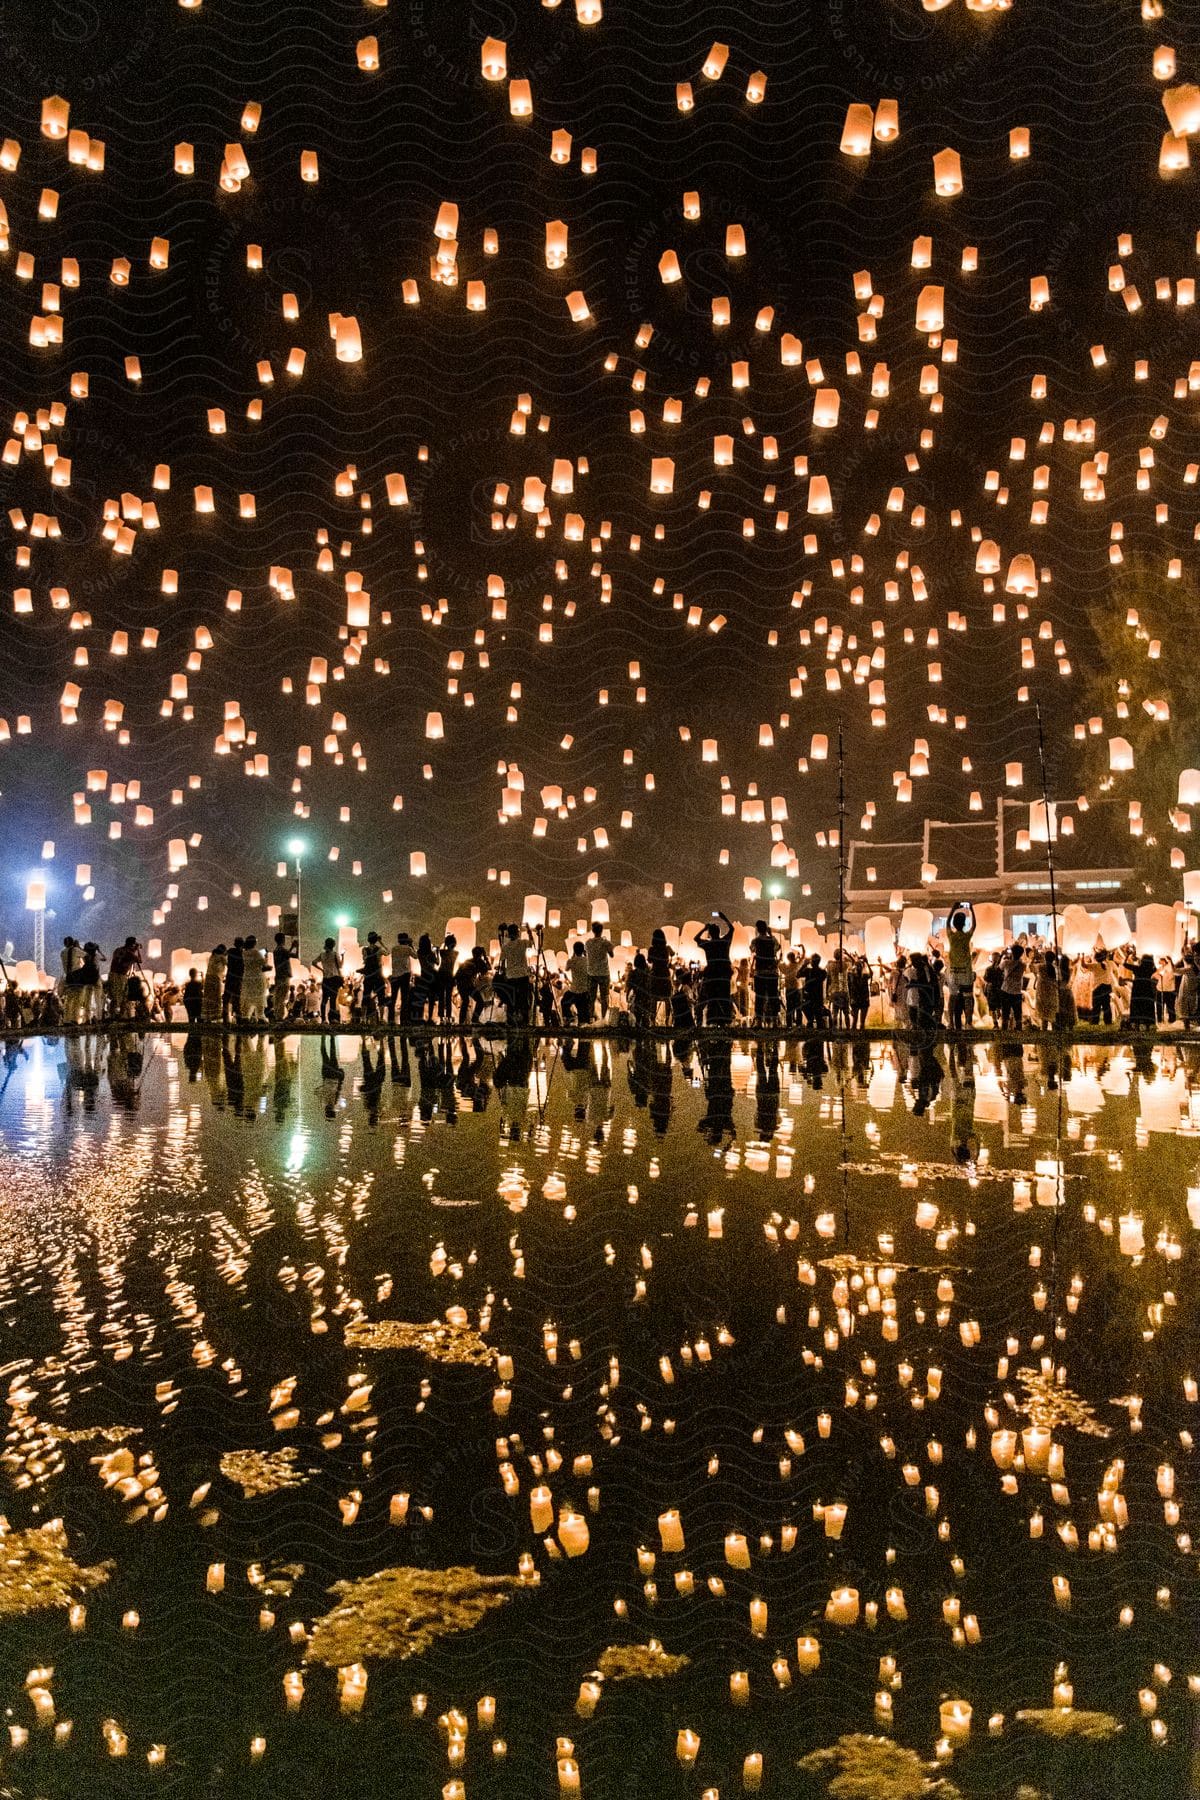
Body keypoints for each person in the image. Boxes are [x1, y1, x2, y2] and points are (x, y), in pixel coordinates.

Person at [694, 912, 734, 1026]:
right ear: (719, 932)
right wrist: (724, 917)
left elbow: (696, 938)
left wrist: (704, 929)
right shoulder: (724, 942)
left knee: (713, 997)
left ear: (710, 934)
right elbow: (732, 929)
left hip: (712, 974)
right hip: (724, 973)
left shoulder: (708, 945)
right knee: (724, 996)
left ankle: (713, 1019)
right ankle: (725, 1020)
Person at [945, 903, 976, 1030]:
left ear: (954, 923)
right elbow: (974, 925)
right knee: (968, 997)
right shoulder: (967, 936)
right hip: (966, 972)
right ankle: (968, 1023)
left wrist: (953, 908)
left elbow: (947, 923)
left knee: (952, 998)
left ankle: (951, 1023)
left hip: (953, 971)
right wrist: (971, 909)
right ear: (964, 924)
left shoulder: (951, 936)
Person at [500, 924, 533, 1025]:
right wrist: (529, 930)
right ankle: (525, 1020)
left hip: (511, 975)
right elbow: (532, 943)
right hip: (522, 974)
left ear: (509, 934)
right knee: (524, 997)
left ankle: (510, 1020)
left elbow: (502, 961)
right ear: (518, 933)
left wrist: (503, 972)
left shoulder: (506, 947)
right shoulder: (522, 943)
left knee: (511, 999)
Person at [750, 921, 780, 1026]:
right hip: (772, 972)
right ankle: (775, 1020)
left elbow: (752, 949)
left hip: (760, 972)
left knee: (760, 996)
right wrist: (771, 934)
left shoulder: (755, 940)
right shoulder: (772, 939)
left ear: (757, 929)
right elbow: (777, 947)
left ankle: (759, 1021)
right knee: (773, 995)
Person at [586, 922, 614, 1021]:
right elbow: (612, 955)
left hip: (591, 973)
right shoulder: (606, 943)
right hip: (603, 973)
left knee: (591, 997)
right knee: (604, 997)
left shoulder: (588, 942)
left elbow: (586, 954)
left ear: (592, 931)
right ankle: (603, 1018)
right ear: (602, 931)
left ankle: (590, 1018)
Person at [109, 936, 141, 1019]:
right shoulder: (130, 953)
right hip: (120, 975)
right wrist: (137, 950)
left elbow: (126, 956)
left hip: (112, 974)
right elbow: (139, 960)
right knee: (123, 996)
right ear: (132, 945)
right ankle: (119, 1016)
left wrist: (134, 950)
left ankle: (113, 1015)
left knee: (115, 996)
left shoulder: (118, 950)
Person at [388, 933, 414, 1024]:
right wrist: (411, 945)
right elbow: (415, 956)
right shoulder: (408, 949)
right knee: (404, 998)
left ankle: (390, 1019)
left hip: (395, 974)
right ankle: (404, 1019)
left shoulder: (394, 949)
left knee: (393, 998)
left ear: (398, 940)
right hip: (404, 975)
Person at [647, 929, 672, 1026]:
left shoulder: (651, 949)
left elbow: (649, 961)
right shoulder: (666, 948)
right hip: (665, 974)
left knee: (654, 997)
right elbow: (673, 954)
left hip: (655, 973)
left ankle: (652, 1020)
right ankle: (667, 1020)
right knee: (667, 998)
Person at [241, 935, 267, 1023]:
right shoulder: (256, 952)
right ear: (254, 943)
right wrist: (265, 954)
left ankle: (245, 1016)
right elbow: (263, 963)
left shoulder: (243, 953)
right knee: (259, 996)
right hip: (257, 976)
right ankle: (260, 1016)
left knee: (248, 996)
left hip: (247, 976)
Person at [361, 932, 386, 1023]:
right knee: (381, 997)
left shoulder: (364, 949)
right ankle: (382, 1018)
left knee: (366, 996)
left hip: (368, 975)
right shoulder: (379, 949)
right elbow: (387, 952)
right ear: (376, 940)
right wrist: (380, 942)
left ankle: (363, 1018)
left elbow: (364, 960)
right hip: (377, 975)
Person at [563, 942, 590, 1027]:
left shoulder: (571, 961)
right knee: (583, 1010)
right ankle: (584, 1024)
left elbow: (566, 969)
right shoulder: (587, 961)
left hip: (574, 990)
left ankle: (569, 1016)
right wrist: (586, 955)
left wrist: (573, 956)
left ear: (574, 950)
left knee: (564, 1002)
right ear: (583, 950)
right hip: (585, 989)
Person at [318, 937, 344, 1025]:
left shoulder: (322, 954)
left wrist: (322, 969)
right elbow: (340, 966)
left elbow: (313, 962)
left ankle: (323, 1019)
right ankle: (332, 1019)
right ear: (333, 945)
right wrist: (343, 956)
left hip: (325, 979)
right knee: (333, 999)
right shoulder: (335, 954)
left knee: (324, 1000)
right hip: (334, 979)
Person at [1128, 953, 1157, 1030]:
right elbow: (1156, 968)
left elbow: (1124, 964)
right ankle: (1147, 1024)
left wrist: (1128, 955)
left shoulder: (1137, 968)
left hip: (1137, 989)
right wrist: (1153, 958)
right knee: (1147, 1006)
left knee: (1136, 1006)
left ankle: (1136, 1024)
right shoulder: (1152, 969)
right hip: (1147, 989)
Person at [271, 932, 294, 1023]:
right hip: (284, 976)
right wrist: (294, 946)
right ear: (283, 940)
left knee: (278, 996)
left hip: (278, 975)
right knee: (282, 997)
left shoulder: (276, 950)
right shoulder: (282, 950)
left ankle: (277, 1015)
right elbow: (293, 955)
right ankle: (279, 1017)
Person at [223, 937, 245, 1026]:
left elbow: (225, 954)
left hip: (229, 977)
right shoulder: (242, 954)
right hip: (238, 978)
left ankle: (225, 1018)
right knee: (236, 999)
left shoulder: (231, 951)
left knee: (226, 999)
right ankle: (238, 1019)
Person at [202, 946, 226, 1023]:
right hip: (215, 978)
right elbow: (229, 964)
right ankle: (215, 1017)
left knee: (208, 998)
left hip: (208, 978)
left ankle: (207, 1017)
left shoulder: (211, 956)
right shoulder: (222, 957)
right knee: (216, 997)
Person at [847, 956, 871, 1031]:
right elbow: (871, 973)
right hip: (863, 999)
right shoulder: (864, 976)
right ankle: (862, 1039)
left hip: (855, 999)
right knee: (861, 1022)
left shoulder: (852, 976)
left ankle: (854, 1039)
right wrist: (867, 963)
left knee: (855, 1021)